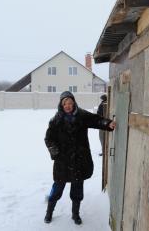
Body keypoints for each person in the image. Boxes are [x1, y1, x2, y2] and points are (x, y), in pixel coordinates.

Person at [44, 91, 116, 225]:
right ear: (61, 104)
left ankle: (75, 214)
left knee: (77, 189)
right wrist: (55, 152)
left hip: (79, 160)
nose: (68, 105)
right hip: (63, 162)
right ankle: (49, 212)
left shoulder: (81, 115)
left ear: (74, 103)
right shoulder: (55, 121)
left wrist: (108, 123)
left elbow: (96, 120)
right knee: (57, 189)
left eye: (70, 103)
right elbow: (49, 139)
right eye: (65, 103)